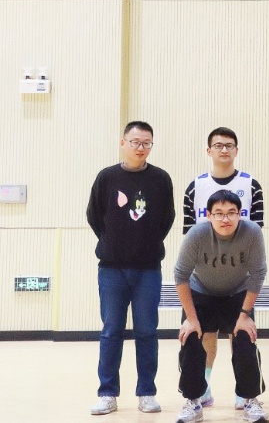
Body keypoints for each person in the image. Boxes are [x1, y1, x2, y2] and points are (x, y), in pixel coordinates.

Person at [87, 121, 175, 416]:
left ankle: (147, 392)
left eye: (146, 143)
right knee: (111, 330)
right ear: (123, 143)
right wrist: (113, 242)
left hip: (148, 269)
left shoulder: (161, 179)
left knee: (147, 331)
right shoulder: (107, 177)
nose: (140, 147)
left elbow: (167, 218)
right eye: (135, 142)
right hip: (111, 269)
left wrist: (145, 243)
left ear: (151, 145)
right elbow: (94, 216)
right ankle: (107, 393)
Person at [182, 127, 265, 410]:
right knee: (202, 334)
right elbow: (187, 234)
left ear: (237, 150)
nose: (224, 150)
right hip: (203, 279)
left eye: (229, 145)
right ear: (209, 151)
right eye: (218, 145)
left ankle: (245, 392)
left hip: (238, 280)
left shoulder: (251, 185)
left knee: (240, 334)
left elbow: (254, 234)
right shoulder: (196, 186)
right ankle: (202, 388)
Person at [174, 190, 268, 423]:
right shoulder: (197, 235)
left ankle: (250, 399)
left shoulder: (252, 233)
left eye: (231, 213)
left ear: (240, 214)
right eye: (219, 213)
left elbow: (258, 273)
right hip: (201, 293)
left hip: (237, 294)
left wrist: (245, 315)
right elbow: (181, 275)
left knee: (245, 338)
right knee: (191, 338)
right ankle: (193, 401)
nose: (225, 219)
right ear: (209, 215)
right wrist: (191, 318)